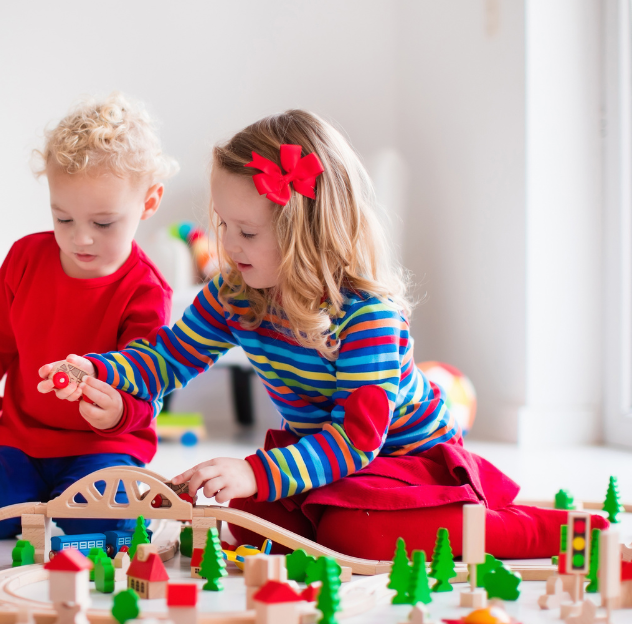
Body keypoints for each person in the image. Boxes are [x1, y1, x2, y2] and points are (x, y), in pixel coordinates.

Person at [39, 109, 605, 560]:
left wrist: (254, 471)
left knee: (353, 537)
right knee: (236, 521)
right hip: (326, 461)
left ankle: (548, 533)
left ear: (305, 232)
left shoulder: (368, 317)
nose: (229, 246)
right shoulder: (238, 293)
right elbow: (166, 359)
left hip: (400, 459)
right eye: (223, 225)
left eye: (247, 231)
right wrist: (99, 370)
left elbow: (358, 440)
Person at [0, 93, 176, 538]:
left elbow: (152, 380)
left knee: (101, 524)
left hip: (106, 445)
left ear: (148, 203)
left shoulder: (147, 291)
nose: (81, 239)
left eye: (103, 223)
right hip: (24, 440)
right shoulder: (25, 259)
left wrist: (118, 414)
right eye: (63, 218)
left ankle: (112, 505)